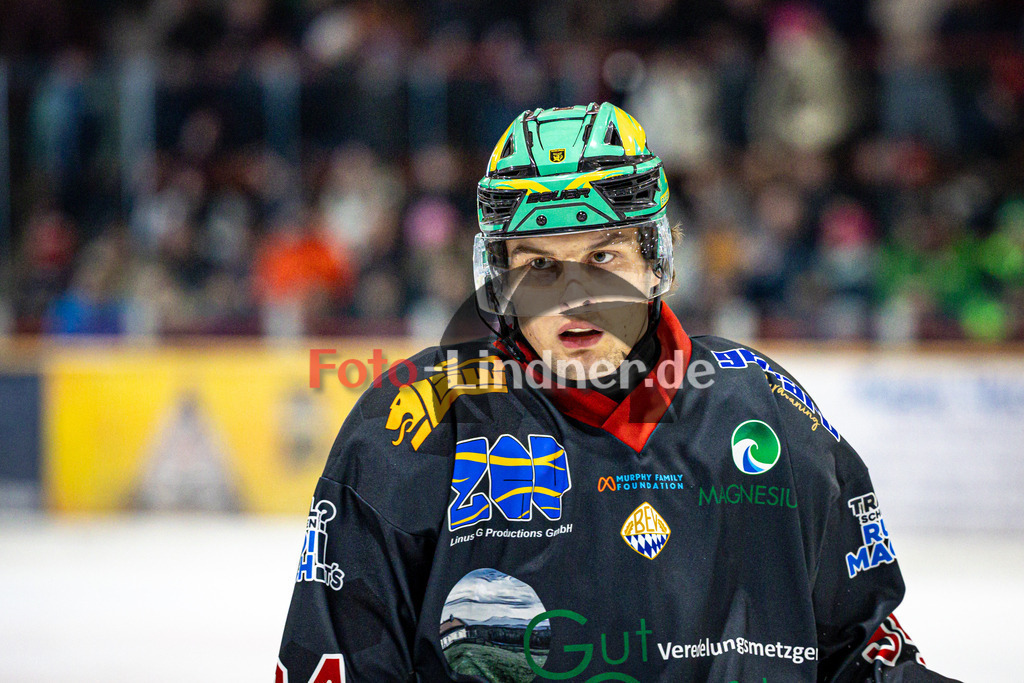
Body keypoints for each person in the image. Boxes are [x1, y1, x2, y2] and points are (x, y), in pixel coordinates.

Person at [277, 103, 959, 683]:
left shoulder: (768, 410)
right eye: (540, 263)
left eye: (603, 257)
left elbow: (861, 654)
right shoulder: (415, 422)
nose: (576, 298)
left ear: (657, 257)